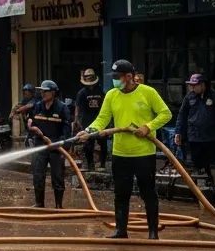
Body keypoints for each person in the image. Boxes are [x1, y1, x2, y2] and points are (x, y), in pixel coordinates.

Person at [79, 59, 172, 240]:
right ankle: (121, 231)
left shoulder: (148, 92)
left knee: (148, 193)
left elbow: (166, 113)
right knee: (121, 194)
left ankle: (152, 232)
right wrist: (89, 131)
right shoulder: (112, 95)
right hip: (120, 153)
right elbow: (102, 119)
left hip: (144, 153)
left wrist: (148, 126)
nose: (114, 80)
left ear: (129, 76)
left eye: (117, 77)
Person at [175, 73, 215, 183]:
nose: (192, 87)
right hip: (194, 136)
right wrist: (178, 132)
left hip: (210, 137)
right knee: (195, 163)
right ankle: (195, 186)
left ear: (203, 85)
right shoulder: (189, 97)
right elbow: (182, 116)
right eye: (191, 85)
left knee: (208, 162)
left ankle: (209, 182)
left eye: (195, 85)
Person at [26, 79, 71, 208]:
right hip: (40, 145)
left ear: (53, 93)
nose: (43, 94)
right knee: (38, 175)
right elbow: (32, 123)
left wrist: (60, 145)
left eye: (46, 92)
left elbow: (67, 131)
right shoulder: (38, 106)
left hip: (56, 147)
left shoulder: (62, 108)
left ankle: (58, 206)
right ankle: (39, 204)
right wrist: (32, 128)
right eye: (42, 91)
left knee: (57, 177)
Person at [72, 68, 107, 171]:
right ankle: (90, 165)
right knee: (88, 144)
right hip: (87, 119)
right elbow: (77, 107)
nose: (89, 79)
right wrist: (76, 120)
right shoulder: (82, 93)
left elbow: (105, 105)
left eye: (91, 77)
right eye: (87, 78)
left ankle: (102, 164)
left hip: (100, 118)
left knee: (102, 142)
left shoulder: (100, 91)